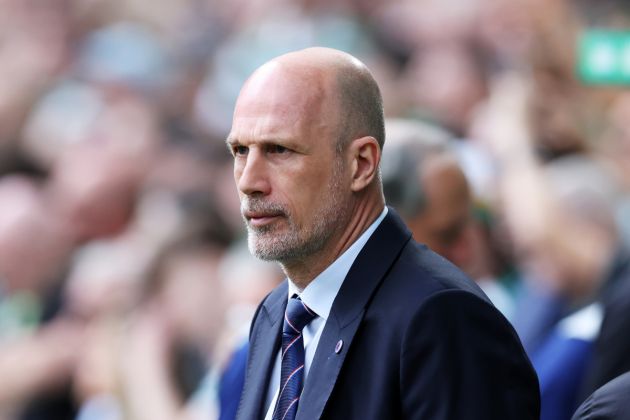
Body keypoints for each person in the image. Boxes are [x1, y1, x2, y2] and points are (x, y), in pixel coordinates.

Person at [227, 47, 539, 420]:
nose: (249, 181)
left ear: (361, 164)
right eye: (240, 150)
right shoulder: (276, 311)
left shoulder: (443, 316)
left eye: (280, 150)